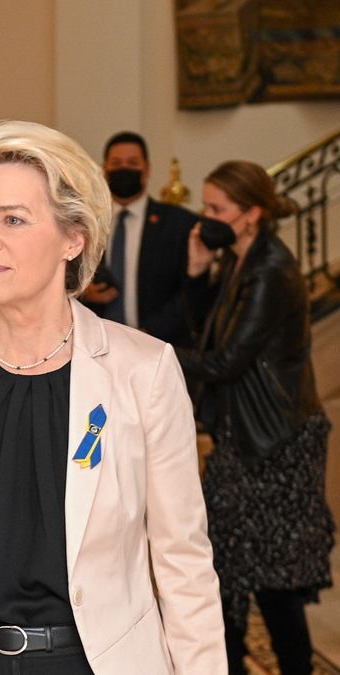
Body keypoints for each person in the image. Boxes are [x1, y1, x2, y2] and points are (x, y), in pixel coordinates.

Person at [0, 120, 226, 674]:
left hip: (96, 662)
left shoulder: (143, 371)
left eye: (13, 219)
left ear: (73, 237)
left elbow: (182, 562)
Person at [176, 160, 334, 675]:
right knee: (230, 567)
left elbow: (224, 362)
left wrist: (152, 352)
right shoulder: (239, 261)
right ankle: (231, 664)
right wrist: (198, 271)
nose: (207, 219)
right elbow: (209, 336)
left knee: (271, 579)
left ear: (251, 214)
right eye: (206, 206)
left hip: (274, 443)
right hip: (242, 439)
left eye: (217, 209)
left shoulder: (271, 271)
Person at [81, 131, 197, 345]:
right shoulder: (83, 223)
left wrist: (148, 332)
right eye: (116, 163)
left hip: (159, 343)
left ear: (147, 168)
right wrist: (83, 293)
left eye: (132, 162)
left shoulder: (179, 224)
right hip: (94, 343)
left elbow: (191, 291)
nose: (124, 169)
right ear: (104, 169)